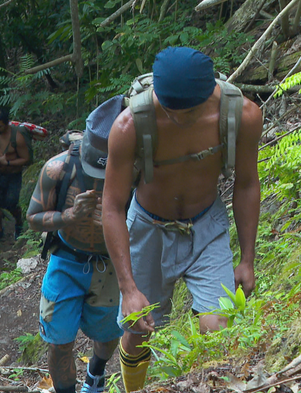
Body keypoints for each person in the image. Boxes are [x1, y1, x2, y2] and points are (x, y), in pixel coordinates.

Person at [100, 47, 262, 392]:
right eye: (168, 110)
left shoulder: (242, 116)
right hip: (146, 228)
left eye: (186, 112)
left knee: (219, 326)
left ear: (208, 96)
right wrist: (128, 288)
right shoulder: (129, 126)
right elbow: (112, 205)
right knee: (137, 331)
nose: (176, 118)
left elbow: (247, 183)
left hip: (207, 226)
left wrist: (247, 259)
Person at [26, 121, 123, 393]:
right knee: (58, 342)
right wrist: (69, 216)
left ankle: (96, 373)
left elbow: (150, 221)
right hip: (66, 260)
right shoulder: (58, 168)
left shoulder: (134, 169)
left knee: (110, 332)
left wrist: (117, 222)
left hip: (110, 265)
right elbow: (33, 218)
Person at [0, 107, 30, 243]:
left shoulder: (17, 138)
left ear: (7, 123)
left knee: (12, 203)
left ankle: (19, 224)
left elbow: (25, 159)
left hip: (13, 176)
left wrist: (6, 161)